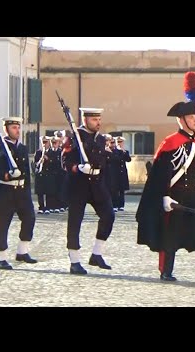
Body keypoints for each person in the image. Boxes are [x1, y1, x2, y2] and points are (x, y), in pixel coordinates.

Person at [136, 71, 195, 282]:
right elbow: (159, 175)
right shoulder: (169, 143)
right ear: (181, 120)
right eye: (191, 117)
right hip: (175, 197)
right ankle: (166, 272)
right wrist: (164, 196)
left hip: (194, 196)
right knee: (170, 236)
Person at [62, 107, 115, 275]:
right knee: (75, 223)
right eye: (94, 120)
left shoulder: (101, 139)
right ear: (85, 120)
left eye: (99, 119)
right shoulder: (74, 136)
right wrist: (77, 167)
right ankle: (75, 261)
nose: (98, 122)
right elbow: (64, 161)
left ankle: (97, 254)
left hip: (97, 183)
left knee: (109, 216)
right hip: (79, 185)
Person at [0, 117, 37, 270]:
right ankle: (1, 257)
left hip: (22, 192)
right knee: (4, 224)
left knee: (30, 218)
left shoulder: (22, 148)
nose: (17, 131)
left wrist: (28, 191)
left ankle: (22, 251)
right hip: (6, 191)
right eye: (14, 128)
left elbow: (25, 171)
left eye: (18, 128)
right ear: (6, 129)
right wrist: (8, 175)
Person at [112, 136, 131, 211]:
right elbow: (116, 159)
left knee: (122, 190)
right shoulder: (114, 151)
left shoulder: (125, 151)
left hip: (122, 172)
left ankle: (121, 205)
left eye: (121, 142)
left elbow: (128, 159)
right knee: (115, 190)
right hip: (115, 172)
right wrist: (119, 151)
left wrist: (123, 152)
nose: (120, 143)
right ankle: (115, 205)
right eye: (118, 142)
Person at [34, 136, 52, 214]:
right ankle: (41, 207)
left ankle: (48, 207)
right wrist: (40, 161)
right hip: (40, 174)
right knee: (40, 192)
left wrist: (48, 159)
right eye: (43, 142)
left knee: (48, 191)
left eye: (46, 142)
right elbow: (35, 164)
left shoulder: (51, 152)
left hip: (48, 174)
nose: (44, 144)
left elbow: (55, 164)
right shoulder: (38, 152)